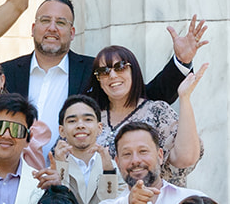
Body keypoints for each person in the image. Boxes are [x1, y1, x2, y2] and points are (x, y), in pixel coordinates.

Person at [0, 0, 208, 153]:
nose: (52, 28)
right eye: (45, 21)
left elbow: (145, 95)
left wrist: (180, 62)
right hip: (15, 178)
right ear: (34, 28)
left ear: (72, 33)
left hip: (72, 183)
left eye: (61, 23)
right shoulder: (5, 73)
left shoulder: (96, 70)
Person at [88, 45, 205, 185]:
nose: (112, 75)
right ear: (99, 81)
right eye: (104, 71)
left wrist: (184, 98)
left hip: (155, 200)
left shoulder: (157, 111)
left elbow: (185, 158)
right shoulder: (89, 118)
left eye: (120, 67)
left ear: (134, 72)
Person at [36, 94, 121, 204]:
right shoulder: (53, 170)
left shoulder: (116, 168)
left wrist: (109, 173)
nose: (80, 125)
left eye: (88, 119)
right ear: (61, 131)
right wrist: (60, 167)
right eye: (72, 121)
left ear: (99, 128)